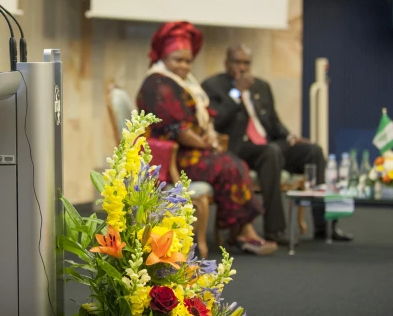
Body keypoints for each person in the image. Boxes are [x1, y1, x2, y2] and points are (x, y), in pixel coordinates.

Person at [136, 22, 276, 256]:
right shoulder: (157, 83)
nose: (184, 66)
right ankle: (242, 232)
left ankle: (241, 230)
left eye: (188, 61)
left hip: (190, 151)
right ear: (163, 58)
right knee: (230, 167)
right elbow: (175, 128)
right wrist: (205, 143)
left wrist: (207, 141)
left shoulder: (182, 82)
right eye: (177, 60)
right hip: (170, 156)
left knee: (232, 163)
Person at [202, 44, 353, 243]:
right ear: (227, 63)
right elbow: (217, 120)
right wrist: (237, 93)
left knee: (313, 151)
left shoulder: (261, 86)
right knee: (271, 152)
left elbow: (273, 122)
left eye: (246, 63)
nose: (242, 67)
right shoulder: (213, 86)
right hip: (238, 148)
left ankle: (325, 227)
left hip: (267, 144)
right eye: (237, 62)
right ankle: (275, 230)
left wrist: (290, 137)